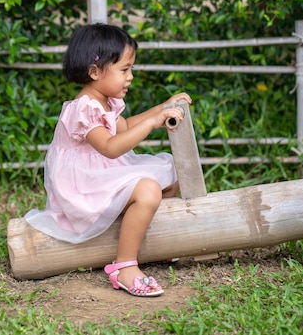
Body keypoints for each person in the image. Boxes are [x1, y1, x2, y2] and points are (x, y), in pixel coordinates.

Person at [24, 23, 192, 297]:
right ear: (94, 72)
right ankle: (124, 267)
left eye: (131, 69)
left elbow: (123, 129)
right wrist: (151, 123)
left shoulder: (104, 100)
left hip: (102, 174)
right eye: (124, 70)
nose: (131, 77)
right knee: (148, 188)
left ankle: (156, 244)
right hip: (82, 186)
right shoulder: (83, 108)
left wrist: (163, 109)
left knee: (168, 176)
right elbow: (111, 148)